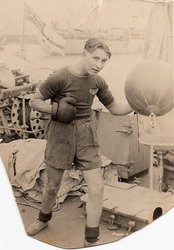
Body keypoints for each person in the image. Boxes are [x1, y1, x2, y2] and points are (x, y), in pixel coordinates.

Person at [27, 38, 132, 247]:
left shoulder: (98, 82)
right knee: (52, 186)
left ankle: (90, 239)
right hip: (60, 134)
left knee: (97, 188)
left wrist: (139, 103)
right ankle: (43, 219)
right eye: (95, 58)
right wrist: (55, 110)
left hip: (86, 134)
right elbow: (34, 101)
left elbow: (115, 109)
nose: (99, 65)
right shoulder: (59, 77)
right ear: (84, 52)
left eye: (104, 61)